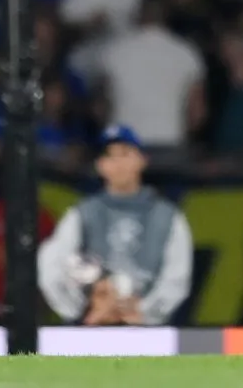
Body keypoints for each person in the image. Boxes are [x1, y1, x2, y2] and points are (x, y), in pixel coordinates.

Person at [37, 125, 193, 326]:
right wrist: (82, 310)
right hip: (93, 323)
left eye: (125, 154)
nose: (118, 163)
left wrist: (145, 312)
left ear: (142, 160)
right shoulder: (83, 212)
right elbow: (51, 263)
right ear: (100, 165)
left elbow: (177, 276)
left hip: (147, 328)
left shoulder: (168, 216)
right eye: (110, 156)